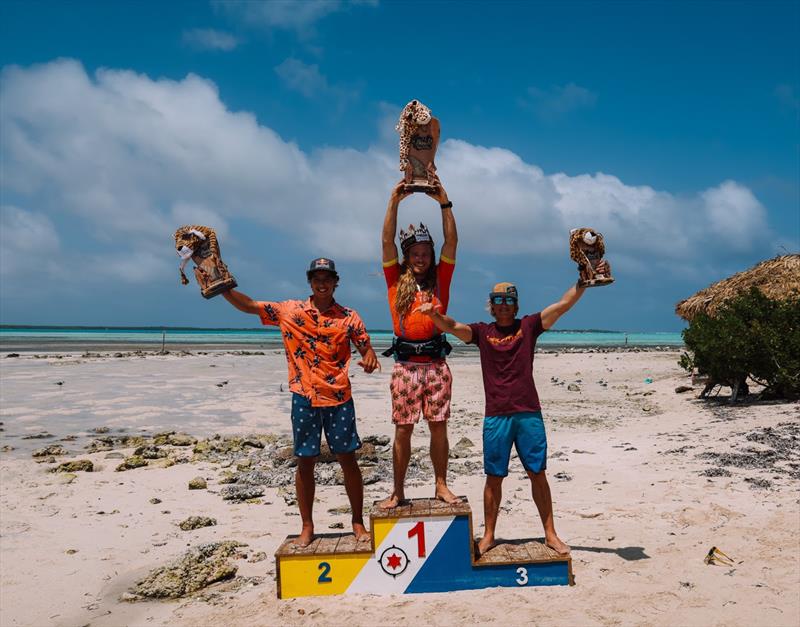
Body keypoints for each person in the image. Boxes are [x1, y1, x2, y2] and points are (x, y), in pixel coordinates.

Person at [418, 265, 609, 555]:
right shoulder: (482, 333)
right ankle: (489, 536)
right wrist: (433, 315)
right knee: (494, 477)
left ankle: (550, 534)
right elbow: (453, 326)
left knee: (537, 474)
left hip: (528, 413)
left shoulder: (528, 326)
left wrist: (582, 282)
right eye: (498, 301)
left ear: (516, 305)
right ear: (491, 307)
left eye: (509, 301)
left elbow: (562, 306)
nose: (504, 306)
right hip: (496, 416)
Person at [222, 257, 380, 546]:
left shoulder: (349, 316)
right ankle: (306, 526)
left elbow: (366, 349)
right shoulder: (289, 311)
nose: (322, 283)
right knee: (305, 462)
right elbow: (249, 306)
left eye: (327, 278)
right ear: (310, 281)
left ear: (336, 282)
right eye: (317, 278)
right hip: (304, 397)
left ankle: (357, 522)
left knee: (348, 460)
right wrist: (222, 287)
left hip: (339, 398)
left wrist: (369, 358)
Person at [378, 171, 460, 509]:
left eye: (427, 252)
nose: (422, 258)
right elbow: (385, 242)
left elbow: (452, 243)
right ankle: (398, 491)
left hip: (436, 366)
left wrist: (444, 202)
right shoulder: (395, 279)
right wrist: (394, 201)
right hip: (405, 367)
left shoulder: (441, 279)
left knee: (439, 427)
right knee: (403, 430)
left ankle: (441, 485)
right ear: (407, 255)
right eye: (416, 253)